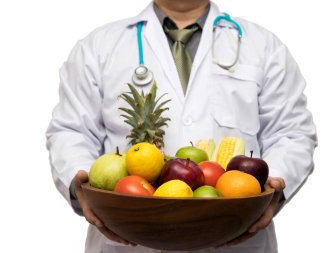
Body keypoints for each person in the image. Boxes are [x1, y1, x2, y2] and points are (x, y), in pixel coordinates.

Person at [46, 0, 317, 252]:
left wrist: (273, 189)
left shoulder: (263, 46)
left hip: (236, 230)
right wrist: (79, 183)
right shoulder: (99, 46)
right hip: (128, 232)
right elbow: (71, 131)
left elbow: (292, 132)